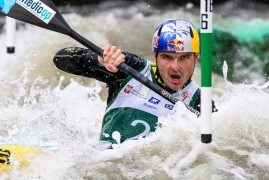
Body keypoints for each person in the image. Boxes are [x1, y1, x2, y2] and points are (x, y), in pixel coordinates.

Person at [53, 18, 217, 150]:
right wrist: (99, 59)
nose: (175, 67)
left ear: (196, 58)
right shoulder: (130, 68)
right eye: (167, 57)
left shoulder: (201, 103)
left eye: (184, 58)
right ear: (155, 55)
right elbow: (61, 59)